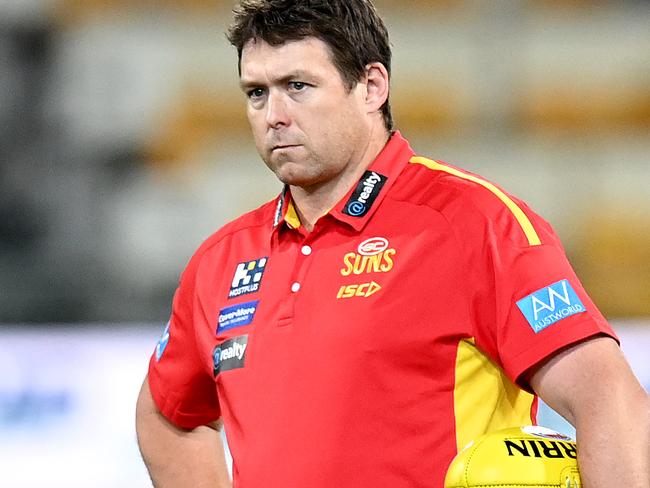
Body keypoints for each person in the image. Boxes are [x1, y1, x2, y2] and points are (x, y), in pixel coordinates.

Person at [135, 1, 649, 487]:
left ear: (371, 86)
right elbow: (167, 413)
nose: (274, 115)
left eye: (298, 85)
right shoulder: (223, 259)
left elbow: (608, 397)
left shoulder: (472, 223)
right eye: (257, 92)